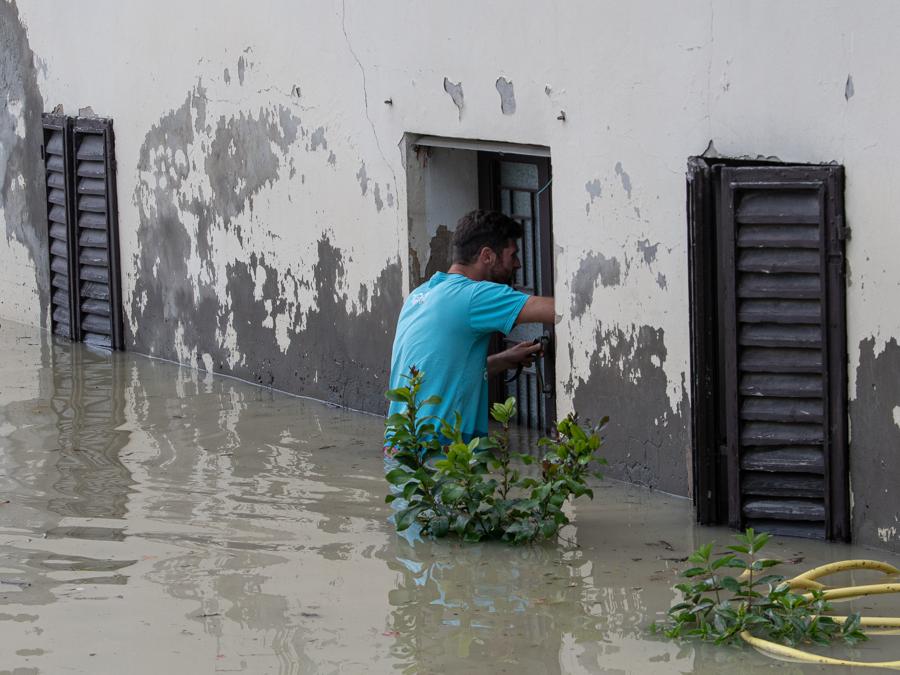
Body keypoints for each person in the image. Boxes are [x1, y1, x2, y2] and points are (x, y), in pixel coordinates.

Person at [386, 209, 555, 442]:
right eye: (512, 255)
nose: (517, 264)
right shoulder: (474, 295)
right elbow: (558, 311)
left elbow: (444, 370)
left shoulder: (421, 294)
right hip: (441, 448)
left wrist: (504, 359)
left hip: (402, 445)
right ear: (487, 256)